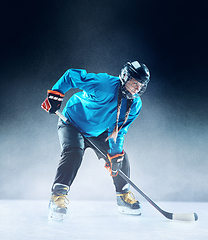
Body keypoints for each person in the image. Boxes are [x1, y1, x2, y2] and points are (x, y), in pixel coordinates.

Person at [41, 60, 150, 220]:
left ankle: (123, 196)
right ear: (125, 77)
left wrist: (114, 155)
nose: (137, 88)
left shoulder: (134, 105)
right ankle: (57, 197)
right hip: (72, 122)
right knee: (74, 152)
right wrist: (56, 95)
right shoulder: (103, 84)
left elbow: (118, 131)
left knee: (121, 158)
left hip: (98, 131)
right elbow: (72, 75)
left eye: (140, 85)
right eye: (134, 83)